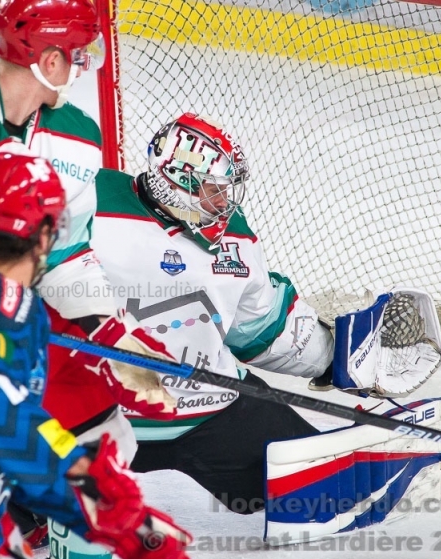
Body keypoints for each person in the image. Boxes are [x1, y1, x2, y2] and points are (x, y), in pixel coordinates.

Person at [0, 0, 178, 559]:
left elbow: (64, 252)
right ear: (48, 57)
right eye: (77, 52)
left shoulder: (77, 139)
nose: (85, 62)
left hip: (10, 323)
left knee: (106, 443)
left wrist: (114, 334)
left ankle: (37, 527)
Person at [0, 152, 191, 559]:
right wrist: (90, 491)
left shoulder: (0, 303)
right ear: (45, 232)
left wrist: (110, 511)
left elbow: (22, 424)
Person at [89, 111, 333, 512]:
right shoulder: (86, 199)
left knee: (326, 491)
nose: (223, 201)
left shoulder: (233, 234)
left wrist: (334, 358)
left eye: (226, 189)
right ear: (177, 183)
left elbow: (261, 326)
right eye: (212, 189)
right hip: (88, 412)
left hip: (207, 405)